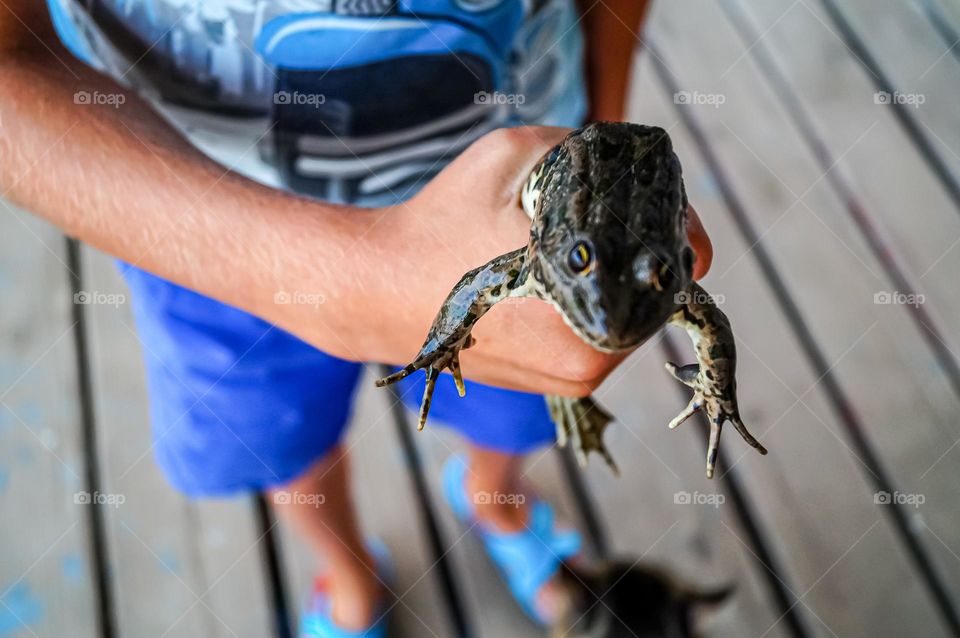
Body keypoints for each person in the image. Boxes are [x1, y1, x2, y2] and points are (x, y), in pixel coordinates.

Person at [0, 0, 712, 635]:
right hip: (201, 227)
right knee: (283, 443)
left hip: (519, 216)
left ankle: (495, 503)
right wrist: (334, 285)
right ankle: (348, 578)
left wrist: (604, 141)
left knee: (514, 412)